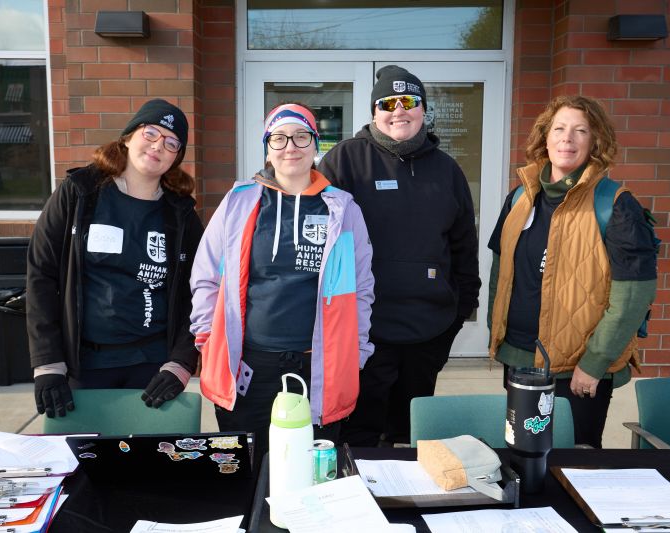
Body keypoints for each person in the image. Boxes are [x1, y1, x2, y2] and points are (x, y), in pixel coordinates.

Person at [190, 103, 374, 454]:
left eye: (301, 136)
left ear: (315, 146)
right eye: (279, 138)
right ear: (268, 149)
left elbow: (361, 289)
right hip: (251, 364)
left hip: (320, 363)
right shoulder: (239, 202)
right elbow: (206, 275)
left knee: (313, 465)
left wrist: (358, 351)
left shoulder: (342, 208)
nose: (290, 146)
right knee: (250, 464)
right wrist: (207, 338)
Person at [318, 65, 481, 447]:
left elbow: (463, 249)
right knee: (358, 435)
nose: (398, 111)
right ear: (374, 112)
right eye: (387, 103)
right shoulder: (345, 161)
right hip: (366, 333)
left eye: (409, 101)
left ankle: (404, 504)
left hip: (427, 334)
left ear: (423, 110)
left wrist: (458, 314)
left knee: (410, 436)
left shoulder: (447, 170)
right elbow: (317, 240)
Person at [488, 95, 657, 448]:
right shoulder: (520, 197)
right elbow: (500, 271)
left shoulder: (615, 205)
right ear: (544, 137)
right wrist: (497, 331)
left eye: (581, 131)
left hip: (578, 369)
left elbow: (633, 296)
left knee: (576, 460)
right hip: (519, 357)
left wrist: (595, 363)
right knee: (522, 453)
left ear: (595, 143)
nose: (568, 138)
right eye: (560, 129)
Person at [27, 99, 204, 418]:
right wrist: (47, 363)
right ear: (127, 136)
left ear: (176, 157)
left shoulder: (181, 216)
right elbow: (41, 275)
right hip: (85, 365)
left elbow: (201, 294)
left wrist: (180, 362)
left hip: (153, 368)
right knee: (85, 460)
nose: (158, 146)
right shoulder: (79, 195)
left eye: (171, 142)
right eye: (150, 133)